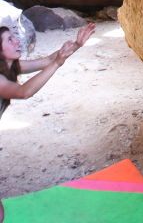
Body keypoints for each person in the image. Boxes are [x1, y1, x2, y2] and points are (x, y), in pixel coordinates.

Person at [0, 22, 96, 221]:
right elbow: (23, 92)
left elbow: (46, 61)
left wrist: (76, 45)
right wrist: (57, 63)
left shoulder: (12, 66)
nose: (17, 40)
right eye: (10, 39)